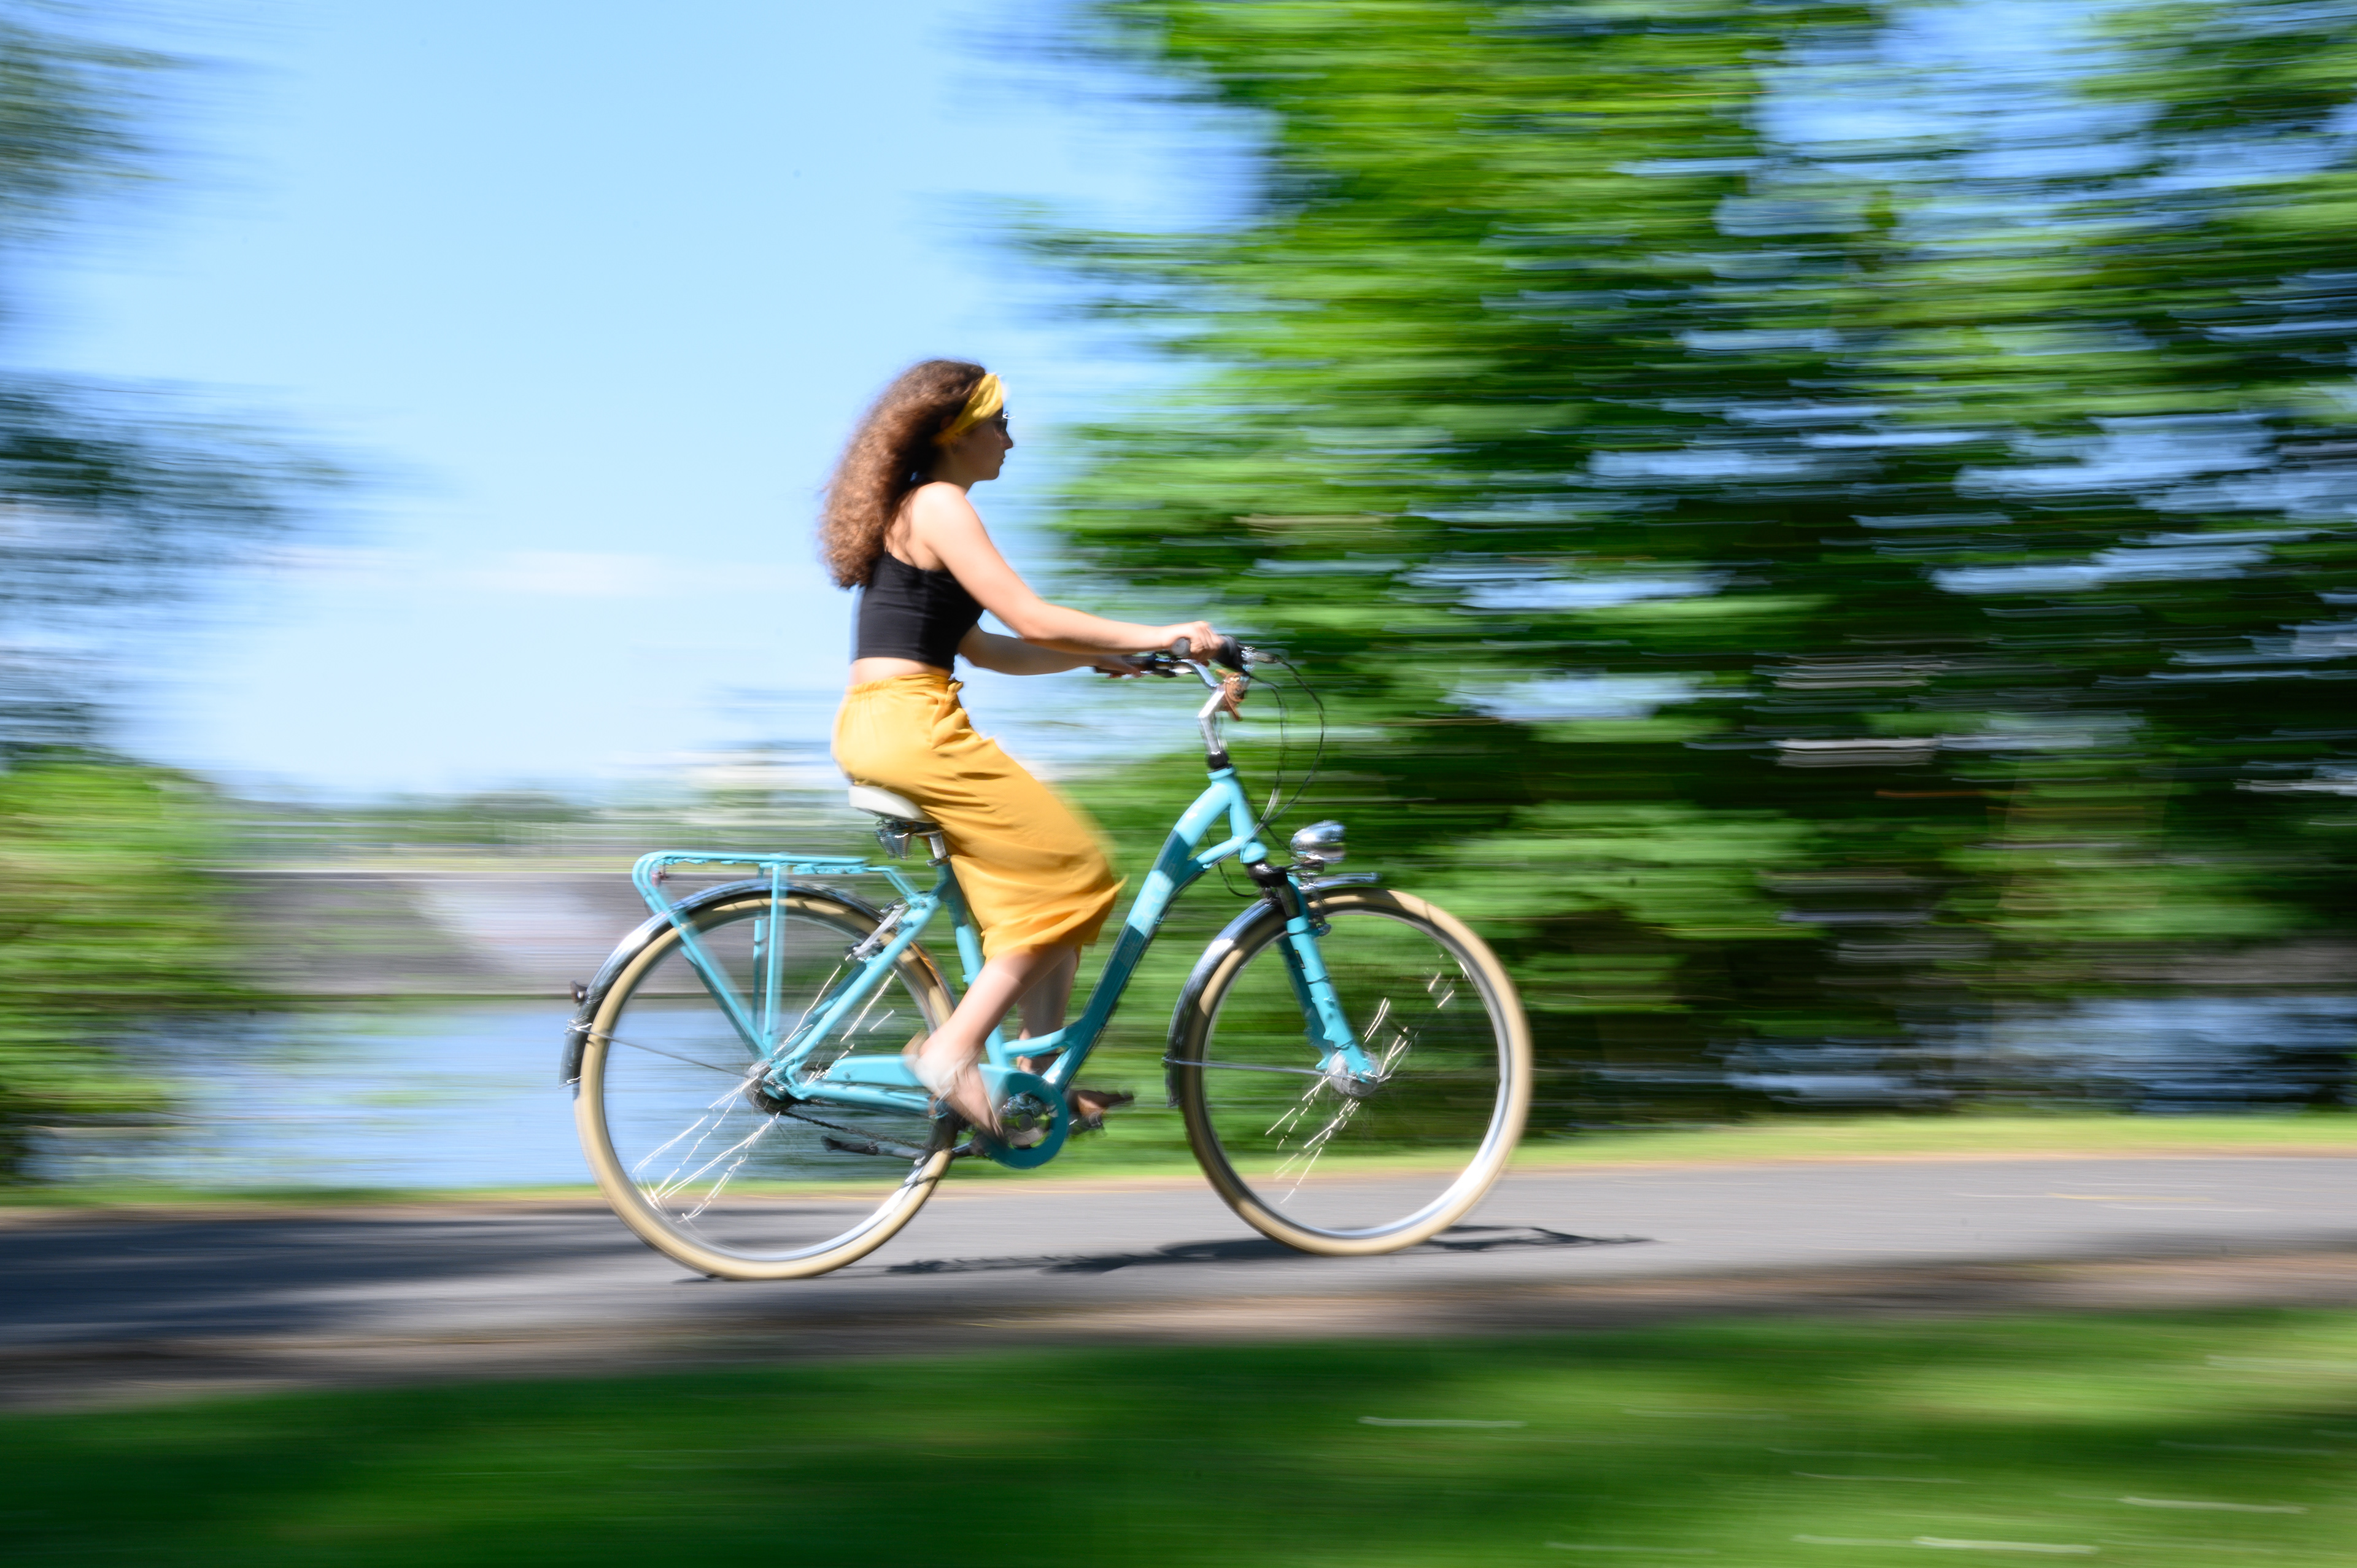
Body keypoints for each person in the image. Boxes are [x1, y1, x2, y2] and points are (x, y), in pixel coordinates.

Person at [821, 359, 1223, 1136]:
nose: (1012, 438)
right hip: (914, 725)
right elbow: (1033, 618)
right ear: (953, 432)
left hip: (890, 720)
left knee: (1052, 905)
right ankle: (952, 1052)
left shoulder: (921, 508)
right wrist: (1165, 632)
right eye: (1000, 422)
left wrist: (1109, 655)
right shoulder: (940, 504)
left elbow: (988, 648)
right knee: (1080, 867)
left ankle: (1032, 1080)